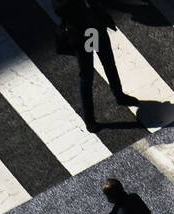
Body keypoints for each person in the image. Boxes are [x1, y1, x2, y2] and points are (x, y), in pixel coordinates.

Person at [53, 0, 137, 132]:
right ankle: (89, 119)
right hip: (82, 34)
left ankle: (119, 95)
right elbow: (59, 9)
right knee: (87, 76)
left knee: (108, 63)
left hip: (96, 28)